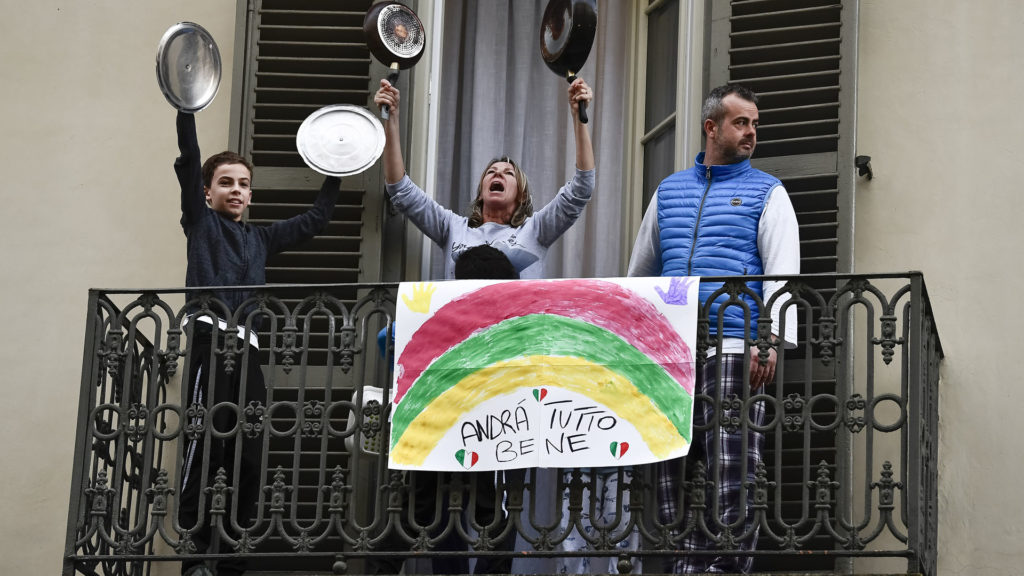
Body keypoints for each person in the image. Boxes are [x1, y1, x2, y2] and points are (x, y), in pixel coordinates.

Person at [627, 84, 800, 574]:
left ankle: (726, 568)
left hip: (733, 344)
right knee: (669, 470)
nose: (751, 133)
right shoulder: (669, 191)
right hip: (671, 351)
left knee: (734, 467)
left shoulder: (768, 191)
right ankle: (679, 564)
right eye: (741, 122)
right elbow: (639, 276)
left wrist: (767, 343)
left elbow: (783, 275)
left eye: (754, 125)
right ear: (712, 127)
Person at [174, 110, 341, 576]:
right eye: (226, 182)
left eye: (244, 183)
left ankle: (232, 558)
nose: (236, 191)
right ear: (208, 193)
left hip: (248, 349)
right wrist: (186, 105)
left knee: (247, 453)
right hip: (211, 339)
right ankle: (194, 555)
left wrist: (339, 165)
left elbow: (315, 220)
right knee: (204, 446)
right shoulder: (201, 223)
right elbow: (189, 161)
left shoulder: (261, 238)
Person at [370, 245, 520, 575]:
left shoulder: (439, 316)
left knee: (420, 510)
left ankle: (380, 569)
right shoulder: (501, 326)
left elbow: (386, 339)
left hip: (436, 429)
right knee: (489, 514)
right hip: (483, 432)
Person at [372, 77, 595, 279]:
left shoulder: (535, 230)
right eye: (491, 172)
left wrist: (578, 118)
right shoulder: (452, 228)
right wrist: (391, 118)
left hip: (514, 324)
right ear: (481, 192)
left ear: (522, 195)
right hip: (462, 323)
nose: (498, 173)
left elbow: (581, 190)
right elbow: (400, 190)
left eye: (508, 173)